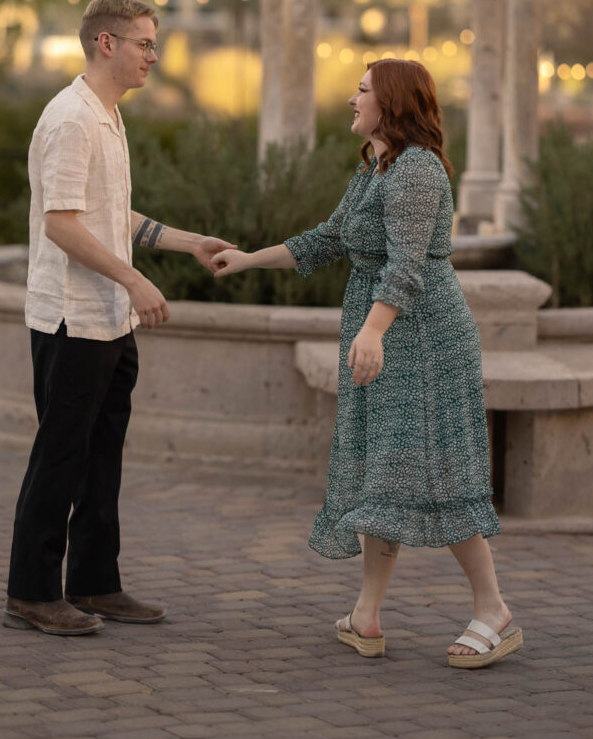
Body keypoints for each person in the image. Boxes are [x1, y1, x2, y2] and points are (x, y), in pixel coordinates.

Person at [213, 58, 522, 669]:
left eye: (362, 91)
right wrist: (247, 259)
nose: (351, 100)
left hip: (422, 338)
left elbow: (407, 264)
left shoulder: (415, 171)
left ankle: (495, 611)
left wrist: (373, 329)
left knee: (434, 469)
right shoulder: (374, 168)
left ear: (393, 103)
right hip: (382, 332)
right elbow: (326, 239)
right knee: (383, 471)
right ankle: (366, 616)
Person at [4, 0, 234, 636]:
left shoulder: (106, 114)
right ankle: (30, 592)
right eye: (143, 44)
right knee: (61, 455)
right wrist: (135, 280)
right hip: (71, 320)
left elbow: (110, 216)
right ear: (107, 43)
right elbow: (61, 226)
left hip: (109, 322)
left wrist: (188, 243)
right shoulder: (72, 119)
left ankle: (95, 584)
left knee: (102, 457)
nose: (153, 57)